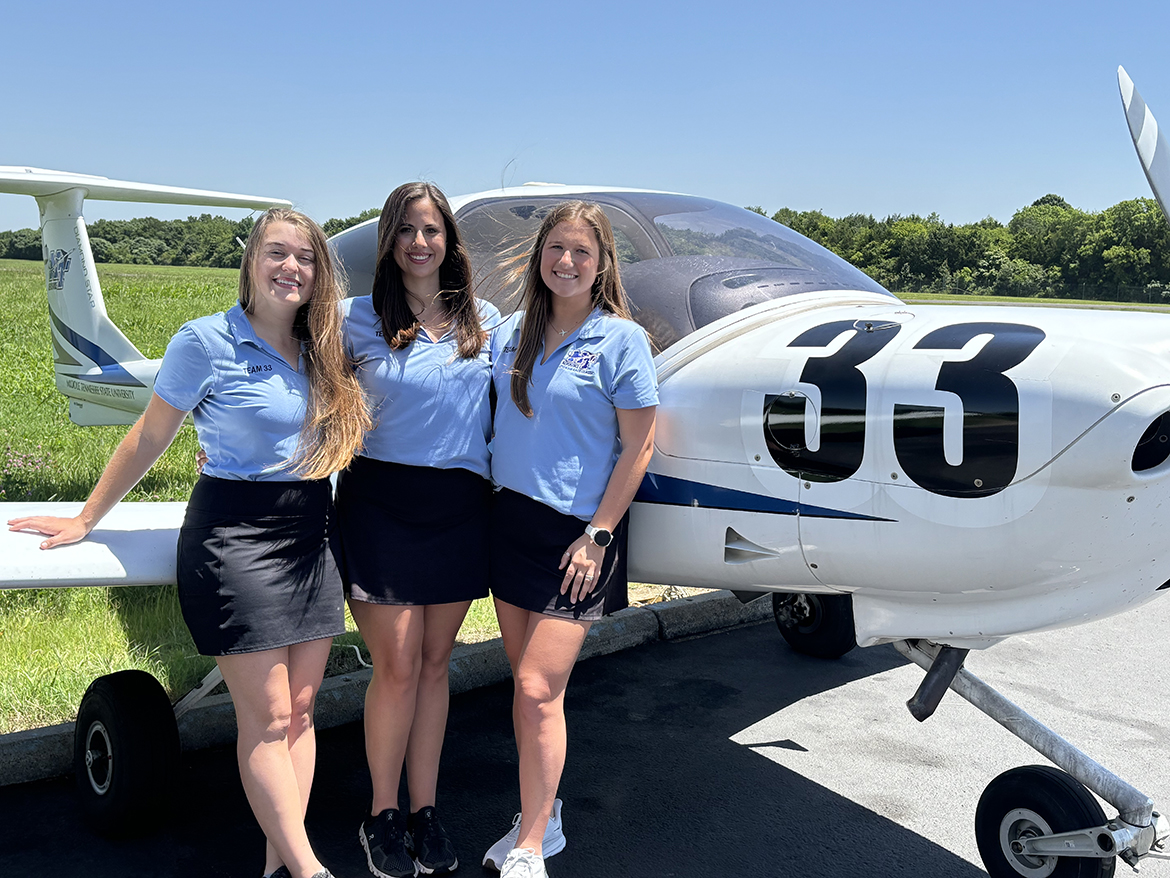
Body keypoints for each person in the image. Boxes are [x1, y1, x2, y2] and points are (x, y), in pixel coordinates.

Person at [8, 209, 369, 878]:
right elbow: (149, 436)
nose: (292, 267)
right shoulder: (206, 341)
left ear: (320, 273)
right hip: (236, 535)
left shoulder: (325, 346)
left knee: (299, 711)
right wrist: (86, 517)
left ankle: (277, 864)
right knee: (263, 718)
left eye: (306, 257)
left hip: (312, 534)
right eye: (277, 253)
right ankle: (309, 867)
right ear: (251, 263)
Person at [484, 202, 659, 878]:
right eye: (556, 248)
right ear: (539, 256)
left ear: (602, 262)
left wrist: (599, 535)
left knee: (536, 688)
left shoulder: (621, 340)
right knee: (523, 692)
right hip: (511, 524)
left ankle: (533, 844)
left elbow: (639, 447)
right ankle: (540, 813)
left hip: (579, 539)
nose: (567, 262)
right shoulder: (513, 335)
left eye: (581, 252)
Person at [336, 182, 498, 878]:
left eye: (431, 230)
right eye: (406, 230)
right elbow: (294, 379)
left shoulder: (484, 321)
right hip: (381, 506)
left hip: (460, 508)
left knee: (437, 666)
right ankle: (382, 814)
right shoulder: (352, 320)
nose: (420, 243)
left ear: (449, 242)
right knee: (397, 667)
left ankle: (426, 810)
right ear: (388, 243)